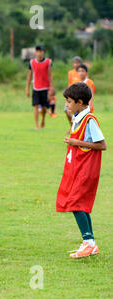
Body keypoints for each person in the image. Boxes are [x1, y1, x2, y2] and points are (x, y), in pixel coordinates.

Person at [56, 82, 106, 259]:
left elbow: (102, 145)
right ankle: (90, 244)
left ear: (79, 102)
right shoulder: (78, 117)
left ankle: (88, 243)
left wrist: (77, 143)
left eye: (69, 102)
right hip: (77, 169)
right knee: (80, 205)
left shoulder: (90, 120)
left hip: (86, 170)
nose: (66, 106)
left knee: (76, 203)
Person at [26, 45, 53, 130]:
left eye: (40, 51)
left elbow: (50, 75)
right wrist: (27, 88)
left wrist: (51, 88)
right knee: (36, 106)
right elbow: (29, 76)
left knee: (45, 107)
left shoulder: (48, 62)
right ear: (35, 52)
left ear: (43, 52)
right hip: (36, 87)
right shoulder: (32, 62)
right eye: (37, 51)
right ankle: (36, 125)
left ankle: (43, 119)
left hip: (45, 87)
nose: (39, 53)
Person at [64, 56, 83, 127]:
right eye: (75, 63)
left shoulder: (81, 72)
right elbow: (69, 84)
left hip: (79, 95)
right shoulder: (70, 73)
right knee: (67, 110)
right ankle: (72, 126)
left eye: (78, 63)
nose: (76, 64)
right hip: (71, 94)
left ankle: (77, 128)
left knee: (77, 112)